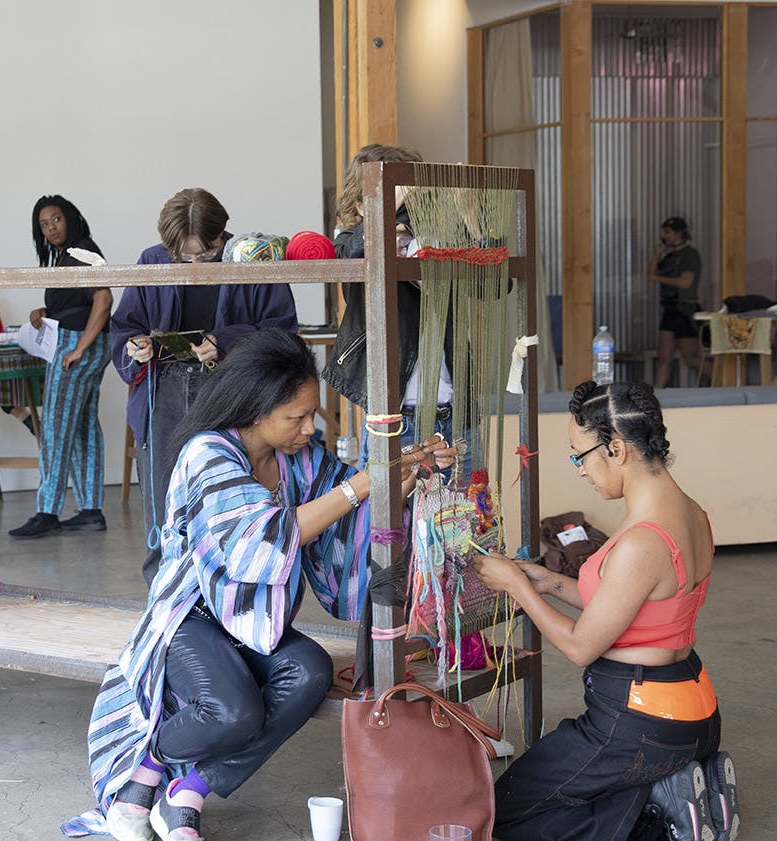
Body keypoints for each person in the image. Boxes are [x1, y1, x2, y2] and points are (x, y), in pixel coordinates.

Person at [73, 330, 452, 841]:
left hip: (252, 620)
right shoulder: (206, 455)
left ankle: (188, 792)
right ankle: (143, 775)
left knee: (309, 670)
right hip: (190, 617)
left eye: (312, 415)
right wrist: (360, 485)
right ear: (255, 409)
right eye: (296, 417)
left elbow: (347, 515)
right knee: (234, 713)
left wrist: (401, 478)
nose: (308, 428)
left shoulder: (298, 457)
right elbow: (260, 540)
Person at [473, 381, 737, 841]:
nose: (579, 471)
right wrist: (549, 581)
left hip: (637, 722)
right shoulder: (691, 513)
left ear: (615, 449)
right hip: (691, 709)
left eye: (580, 456)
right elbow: (633, 605)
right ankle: (676, 790)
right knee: (575, 785)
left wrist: (516, 585)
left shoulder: (642, 541)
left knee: (505, 813)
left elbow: (580, 645)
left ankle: (659, 816)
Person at [110, 188, 297, 583]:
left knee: (232, 496)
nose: (196, 263)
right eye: (184, 256)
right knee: (163, 506)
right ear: (169, 246)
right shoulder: (152, 261)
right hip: (164, 393)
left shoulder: (250, 258)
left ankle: (233, 593)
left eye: (207, 254)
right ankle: (166, 600)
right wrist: (136, 346)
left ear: (223, 236)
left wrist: (226, 343)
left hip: (232, 394)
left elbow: (282, 331)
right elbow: (125, 326)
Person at [321, 144, 459, 467]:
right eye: (397, 204)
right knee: (387, 517)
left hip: (454, 413)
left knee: (461, 515)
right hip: (396, 418)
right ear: (361, 206)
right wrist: (384, 213)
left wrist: (465, 213)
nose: (405, 215)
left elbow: (497, 283)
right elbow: (344, 257)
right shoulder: (352, 242)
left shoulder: (431, 243)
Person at [9, 195, 113, 538]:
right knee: (83, 427)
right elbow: (77, 302)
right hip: (81, 342)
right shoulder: (71, 255)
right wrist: (44, 312)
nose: (51, 227)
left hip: (77, 345)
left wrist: (79, 347)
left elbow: (104, 297)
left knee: (54, 426)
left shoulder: (82, 251)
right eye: (43, 224)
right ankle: (90, 510)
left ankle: (47, 511)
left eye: (55, 219)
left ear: (69, 217)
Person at [647, 217, 707, 388]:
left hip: (685, 309)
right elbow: (650, 275)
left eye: (668, 233)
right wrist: (657, 255)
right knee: (663, 358)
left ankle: (721, 379)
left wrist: (659, 278)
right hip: (670, 310)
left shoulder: (690, 254)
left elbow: (686, 282)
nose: (664, 237)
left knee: (692, 359)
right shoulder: (668, 255)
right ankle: (656, 394)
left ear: (679, 233)